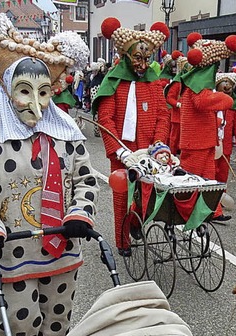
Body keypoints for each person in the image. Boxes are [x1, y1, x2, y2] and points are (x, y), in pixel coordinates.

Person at [0, 10, 97, 336]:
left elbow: (85, 179)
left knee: (58, 325)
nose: (35, 103)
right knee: (22, 327)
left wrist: (81, 211)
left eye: (44, 92)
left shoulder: (66, 135)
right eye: (24, 91)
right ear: (7, 89)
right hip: (15, 252)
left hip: (63, 249)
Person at [92, 17, 171, 254]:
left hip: (148, 149)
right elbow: (105, 119)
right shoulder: (114, 81)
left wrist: (158, 142)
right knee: (122, 197)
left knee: (148, 192)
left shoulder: (153, 83)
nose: (143, 64)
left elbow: (162, 115)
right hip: (123, 150)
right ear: (126, 56)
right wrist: (119, 150)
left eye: (147, 59)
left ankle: (136, 222)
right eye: (138, 58)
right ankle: (122, 241)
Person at [168, 32, 236, 221]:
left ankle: (212, 211)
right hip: (196, 142)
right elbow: (203, 102)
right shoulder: (196, 85)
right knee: (191, 182)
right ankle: (184, 213)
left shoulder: (199, 84)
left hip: (205, 140)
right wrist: (226, 99)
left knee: (209, 181)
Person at [215, 69, 236, 184]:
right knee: (212, 171)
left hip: (226, 146)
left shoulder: (234, 108)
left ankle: (222, 196)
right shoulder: (213, 104)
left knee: (223, 174)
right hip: (212, 144)